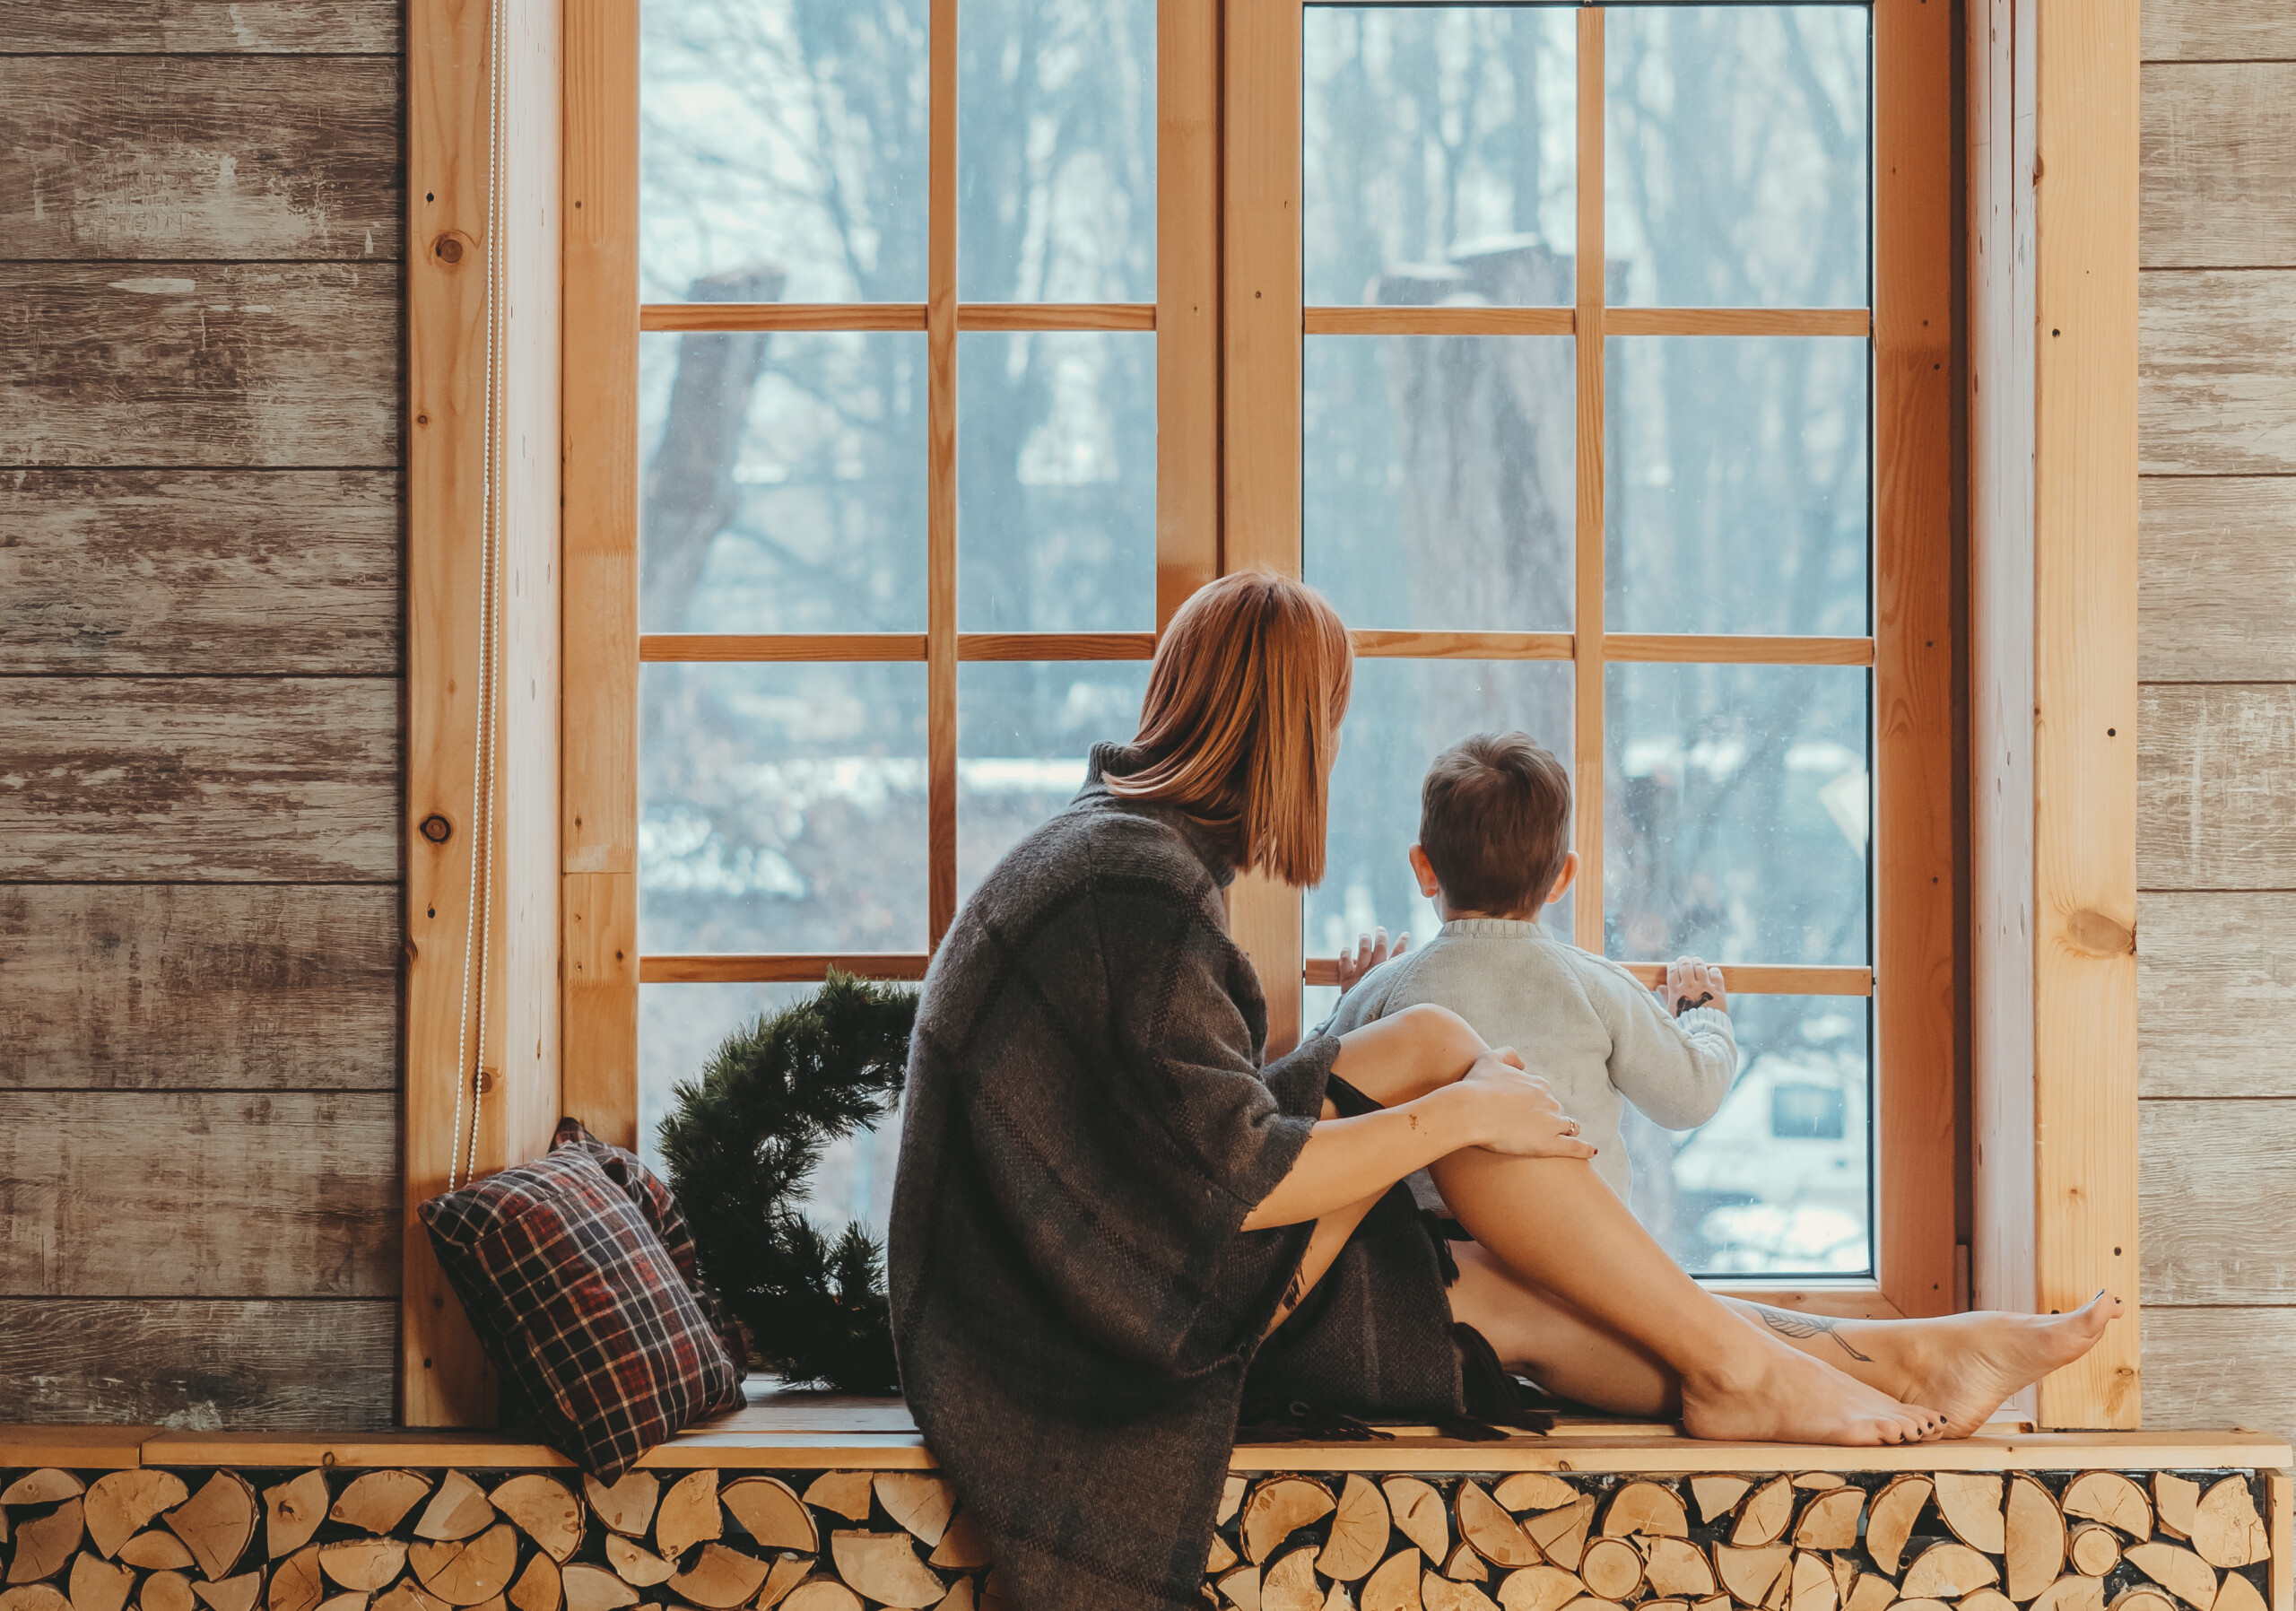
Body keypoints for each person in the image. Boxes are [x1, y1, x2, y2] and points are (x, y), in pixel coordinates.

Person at [887, 570, 2119, 1611]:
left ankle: (1883, 1356)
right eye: (1326, 725)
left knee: (1442, 1082)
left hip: (1088, 1285)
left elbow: (1183, 1135)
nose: (1330, 753)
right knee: (1495, 1273)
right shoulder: (1137, 890)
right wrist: (1462, 1114)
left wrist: (1437, 1089)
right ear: (1283, 731)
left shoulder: (1118, 854)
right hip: (1099, 1334)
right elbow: (1231, 1185)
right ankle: (1801, 1370)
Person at [1320, 729, 1735, 1209]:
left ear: (1424, 869)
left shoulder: (1388, 991)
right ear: (1563, 877)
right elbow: (1690, 1098)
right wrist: (1704, 1017)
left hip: (1436, 1265)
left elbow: (1307, 1100)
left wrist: (1351, 999)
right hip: (1580, 1264)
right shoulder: (1599, 987)